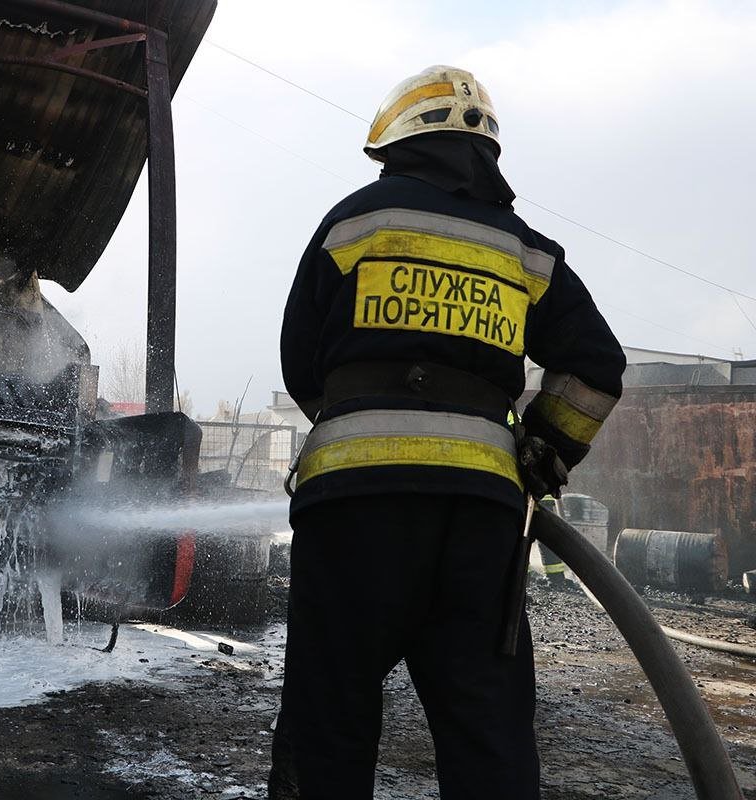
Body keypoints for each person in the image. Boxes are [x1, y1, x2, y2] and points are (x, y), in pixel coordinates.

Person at [273, 65, 625, 799]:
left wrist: (356, 426)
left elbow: (302, 363)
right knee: (487, 734)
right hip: (479, 521)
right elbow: (595, 366)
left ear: (396, 141)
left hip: (352, 515)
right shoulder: (525, 250)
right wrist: (544, 449)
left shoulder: (353, 224)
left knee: (328, 723)